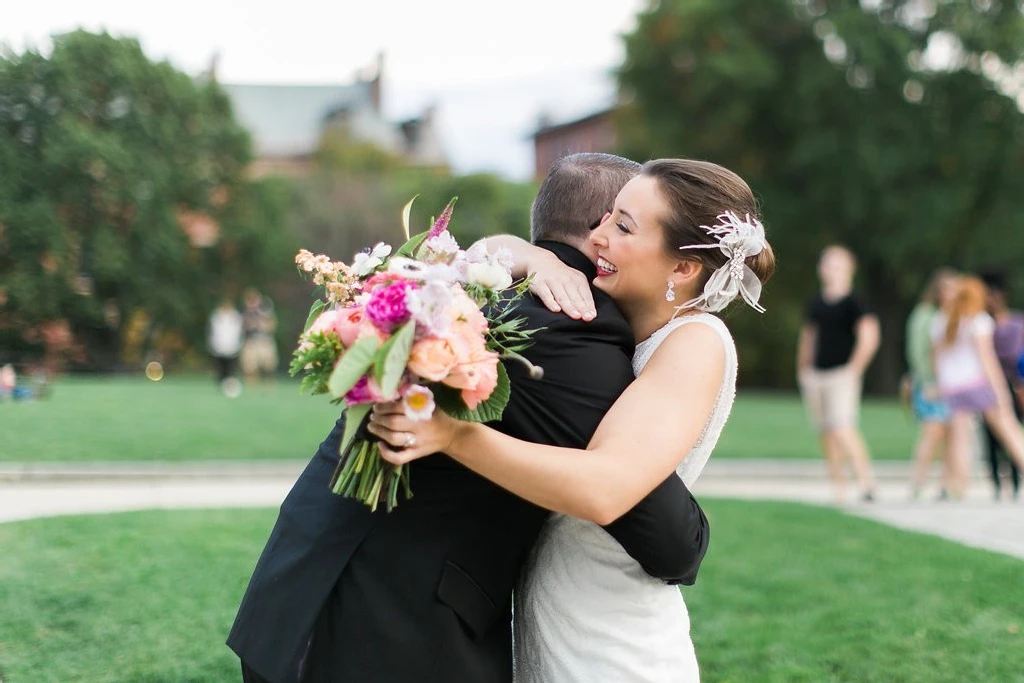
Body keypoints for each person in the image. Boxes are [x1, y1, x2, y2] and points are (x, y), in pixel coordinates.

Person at [228, 154, 712, 683]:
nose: (610, 234)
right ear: (597, 232)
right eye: (616, 220)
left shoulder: (463, 289)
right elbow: (664, 538)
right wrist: (695, 538)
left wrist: (516, 251)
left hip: (298, 583)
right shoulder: (575, 324)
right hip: (388, 626)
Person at [368, 158, 776, 683]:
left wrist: (451, 435)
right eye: (606, 217)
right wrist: (527, 253)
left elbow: (606, 489)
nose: (597, 236)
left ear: (682, 269)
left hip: (613, 638)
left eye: (623, 226)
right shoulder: (617, 328)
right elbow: (477, 257)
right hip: (554, 614)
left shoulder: (696, 342)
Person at [797, 246, 879, 503]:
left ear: (848, 269)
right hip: (817, 375)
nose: (829, 268)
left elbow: (869, 336)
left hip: (841, 375)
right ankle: (838, 487)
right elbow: (809, 337)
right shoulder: (817, 302)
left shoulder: (856, 301)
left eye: (836, 264)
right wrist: (803, 369)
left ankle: (866, 482)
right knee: (825, 432)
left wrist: (854, 369)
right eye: (827, 263)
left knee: (843, 427)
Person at [931, 275, 1024, 499]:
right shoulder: (978, 320)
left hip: (953, 387)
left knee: (960, 440)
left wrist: (941, 386)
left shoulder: (940, 321)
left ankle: (959, 489)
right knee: (1009, 431)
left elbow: (936, 360)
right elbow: (987, 359)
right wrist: (1001, 392)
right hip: (977, 384)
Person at [906, 269, 956, 499]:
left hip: (950, 384)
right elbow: (918, 352)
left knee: (949, 436)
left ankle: (946, 484)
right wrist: (928, 381)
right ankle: (917, 482)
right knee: (931, 432)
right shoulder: (925, 315)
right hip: (930, 384)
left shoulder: (950, 316)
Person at [979, 271, 1023, 499]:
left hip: (1012, 383)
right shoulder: (981, 323)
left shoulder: (1016, 323)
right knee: (990, 437)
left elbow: (1015, 355)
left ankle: (1016, 481)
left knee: (1011, 429)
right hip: (986, 384)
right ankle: (996, 484)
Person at [240, 289, 279, 385]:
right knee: (250, 367)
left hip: (264, 340)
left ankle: (268, 386)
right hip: (250, 341)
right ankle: (252, 387)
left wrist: (261, 325)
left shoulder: (265, 311)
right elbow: (242, 326)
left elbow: (272, 326)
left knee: (268, 367)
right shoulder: (245, 312)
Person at [208, 298, 244, 398]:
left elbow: (238, 332)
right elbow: (213, 331)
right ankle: (221, 387)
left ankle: (230, 387)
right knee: (220, 369)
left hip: (232, 347)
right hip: (219, 346)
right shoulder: (216, 316)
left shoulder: (236, 316)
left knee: (231, 369)